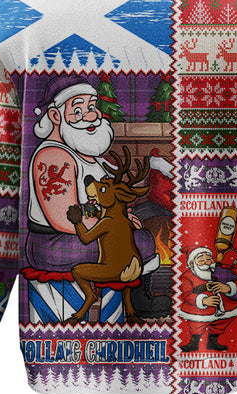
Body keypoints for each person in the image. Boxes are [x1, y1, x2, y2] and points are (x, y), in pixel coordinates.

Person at [25, 75, 171, 318]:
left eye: (91, 107)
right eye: (78, 110)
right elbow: (64, 218)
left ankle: (134, 297)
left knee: (143, 225)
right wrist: (116, 227)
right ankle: (138, 300)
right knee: (140, 241)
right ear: (55, 116)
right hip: (54, 242)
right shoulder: (54, 157)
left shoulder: (88, 154)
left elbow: (104, 201)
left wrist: (123, 216)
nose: (90, 116)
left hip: (87, 232)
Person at [178, 247, 237, 352]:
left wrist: (229, 287)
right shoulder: (187, 277)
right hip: (199, 310)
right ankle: (194, 343)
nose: (206, 262)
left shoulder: (223, 270)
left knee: (221, 324)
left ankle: (212, 342)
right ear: (192, 263)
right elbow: (186, 294)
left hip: (225, 306)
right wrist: (203, 301)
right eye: (201, 260)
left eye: (209, 259)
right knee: (196, 325)